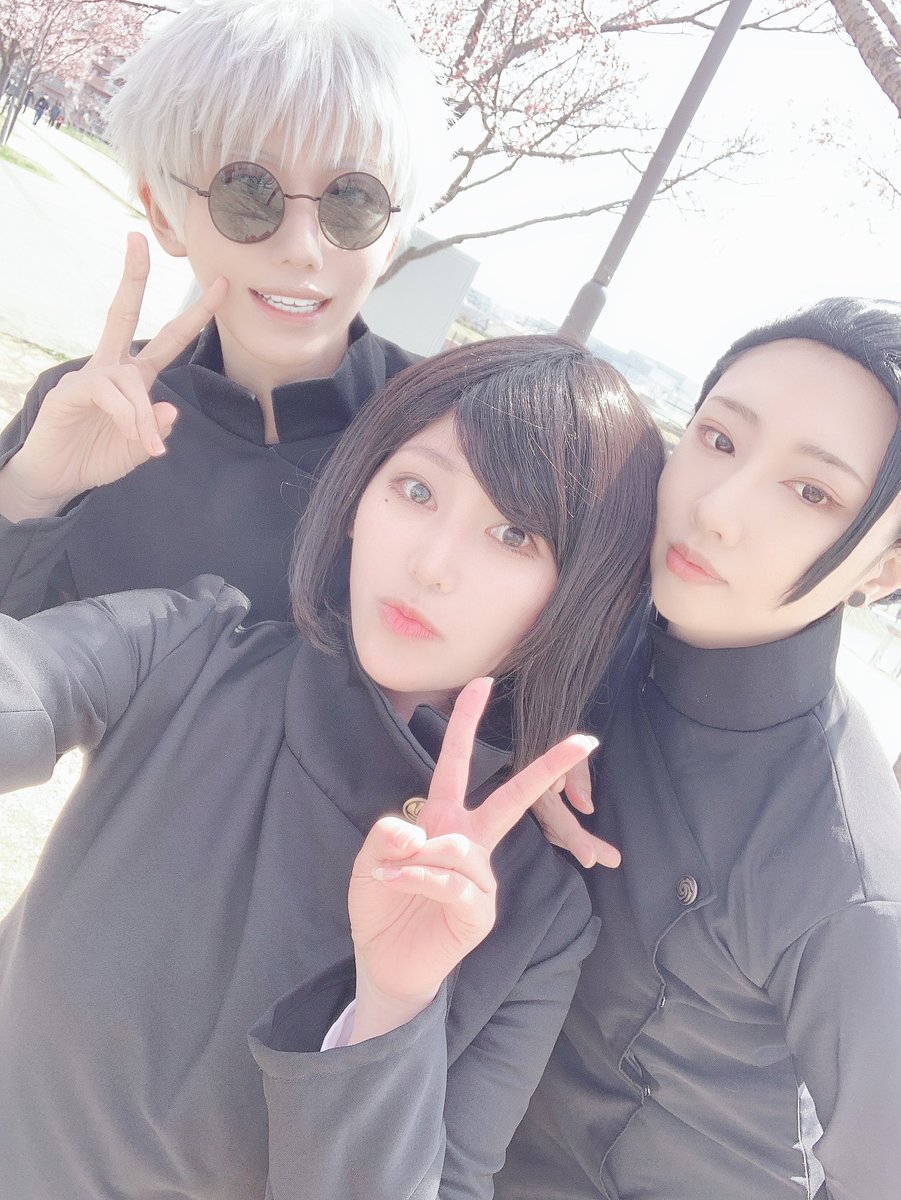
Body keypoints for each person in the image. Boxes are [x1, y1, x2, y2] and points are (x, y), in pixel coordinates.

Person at [0, 336, 666, 1199]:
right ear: (356, 499)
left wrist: (389, 1010)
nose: (431, 564)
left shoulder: (532, 914)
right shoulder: (186, 650)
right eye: (416, 490)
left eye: (513, 534)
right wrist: (25, 493)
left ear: (577, 595)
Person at [498, 297, 901, 1200]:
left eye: (812, 493)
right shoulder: (574, 627)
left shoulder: (843, 875)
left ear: (884, 569)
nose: (716, 509)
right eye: (717, 439)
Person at [0, 0, 450, 622]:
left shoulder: (450, 440)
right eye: (249, 190)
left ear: (393, 236)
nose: (301, 248)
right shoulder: (80, 411)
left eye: (352, 199)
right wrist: (27, 496)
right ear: (164, 213)